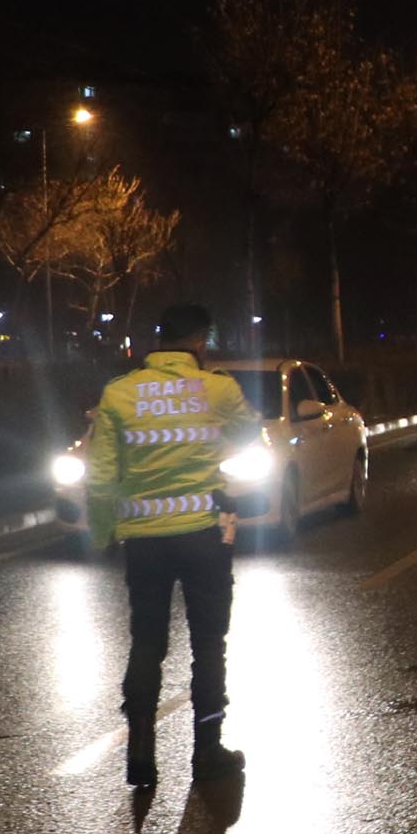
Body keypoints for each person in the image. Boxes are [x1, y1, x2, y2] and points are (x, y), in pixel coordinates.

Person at [84, 302, 260, 788]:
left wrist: (102, 536)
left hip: (143, 543)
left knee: (147, 642)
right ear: (200, 342)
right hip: (203, 535)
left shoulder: (119, 394)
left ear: (158, 340)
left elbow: (100, 481)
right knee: (208, 643)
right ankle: (207, 750)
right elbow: (250, 430)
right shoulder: (218, 388)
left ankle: (141, 746)